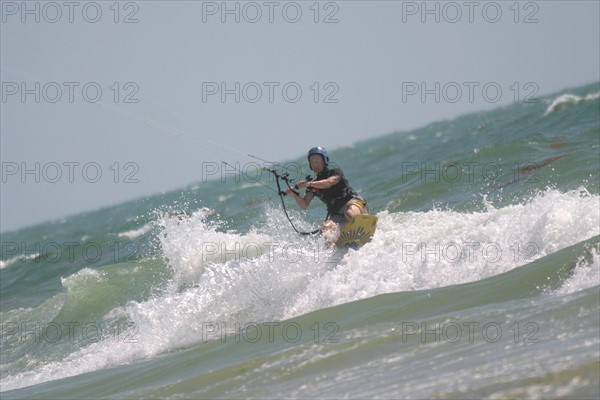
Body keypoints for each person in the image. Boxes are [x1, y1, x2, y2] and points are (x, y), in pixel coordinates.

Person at [286, 146, 369, 235]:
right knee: (325, 230)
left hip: (352, 203)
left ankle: (363, 224)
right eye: (312, 162)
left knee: (349, 214)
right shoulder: (312, 186)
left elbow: (329, 182)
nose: (314, 165)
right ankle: (337, 244)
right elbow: (304, 204)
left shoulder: (335, 172)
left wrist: (309, 184)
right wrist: (294, 193)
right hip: (336, 213)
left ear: (325, 161)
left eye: (317, 161)